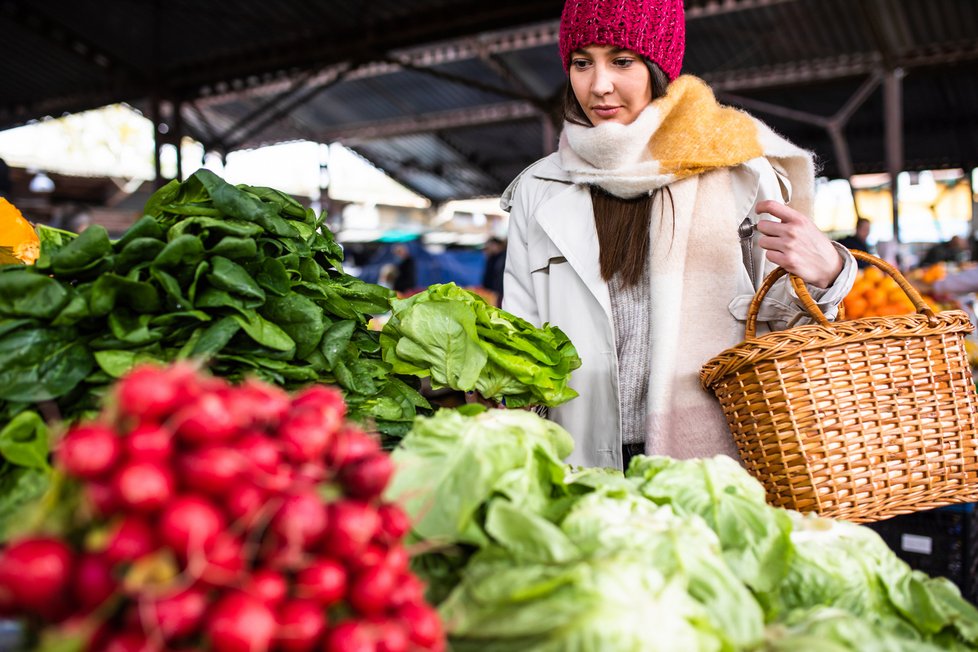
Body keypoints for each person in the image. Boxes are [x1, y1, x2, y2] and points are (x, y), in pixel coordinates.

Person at [500, 0, 856, 470]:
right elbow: (520, 337)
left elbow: (791, 333)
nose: (599, 85)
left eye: (622, 60)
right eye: (582, 62)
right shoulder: (539, 189)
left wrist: (829, 273)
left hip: (712, 459)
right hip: (577, 456)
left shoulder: (739, 172)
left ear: (658, 66)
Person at [481, 237, 507, 306]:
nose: (489, 248)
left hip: (502, 291)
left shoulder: (504, 257)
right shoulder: (492, 258)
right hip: (496, 292)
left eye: (491, 245)